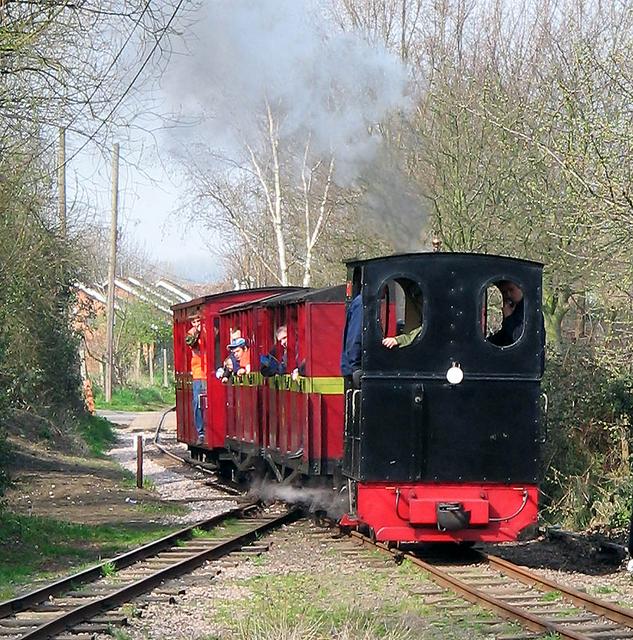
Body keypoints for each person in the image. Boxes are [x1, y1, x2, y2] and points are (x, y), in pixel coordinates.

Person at [186, 313, 206, 444]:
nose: (196, 324)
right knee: (197, 402)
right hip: (198, 373)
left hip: (210, 371)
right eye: (194, 322)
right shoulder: (190, 334)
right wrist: (197, 332)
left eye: (198, 321)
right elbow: (191, 343)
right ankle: (201, 432)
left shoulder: (209, 330)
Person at [488, 280, 524, 347]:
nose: (508, 294)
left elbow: (517, 337)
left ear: (520, 288)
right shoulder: (513, 308)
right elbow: (503, 335)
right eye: (504, 292)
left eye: (511, 290)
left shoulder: (528, 310)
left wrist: (508, 317)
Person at [341, 294, 362, 386]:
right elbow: (355, 336)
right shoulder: (362, 304)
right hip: (355, 370)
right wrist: (356, 367)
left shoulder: (361, 302)